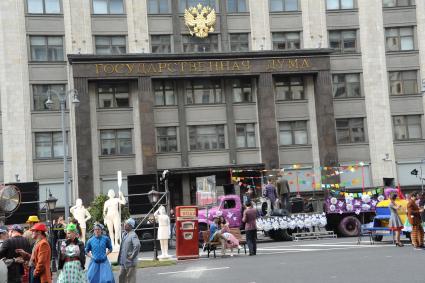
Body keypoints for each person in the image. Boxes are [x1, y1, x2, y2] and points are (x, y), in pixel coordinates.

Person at [118, 218, 140, 283]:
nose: (124, 225)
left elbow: (137, 245)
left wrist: (132, 256)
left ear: (130, 226)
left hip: (130, 262)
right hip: (123, 261)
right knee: (121, 277)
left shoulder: (133, 235)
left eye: (126, 224)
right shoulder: (124, 234)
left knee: (131, 279)